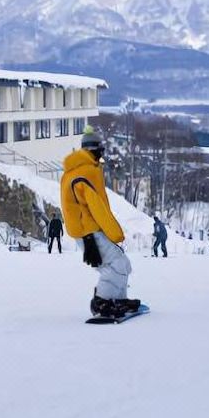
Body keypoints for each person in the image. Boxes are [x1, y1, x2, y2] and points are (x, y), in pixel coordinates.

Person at [60, 128, 140, 318]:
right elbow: (97, 207)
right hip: (90, 231)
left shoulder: (72, 172)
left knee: (117, 264)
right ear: (94, 150)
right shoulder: (88, 172)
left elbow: (73, 208)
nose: (102, 155)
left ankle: (118, 299)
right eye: (101, 150)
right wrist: (112, 234)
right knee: (117, 264)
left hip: (86, 231)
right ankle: (103, 302)